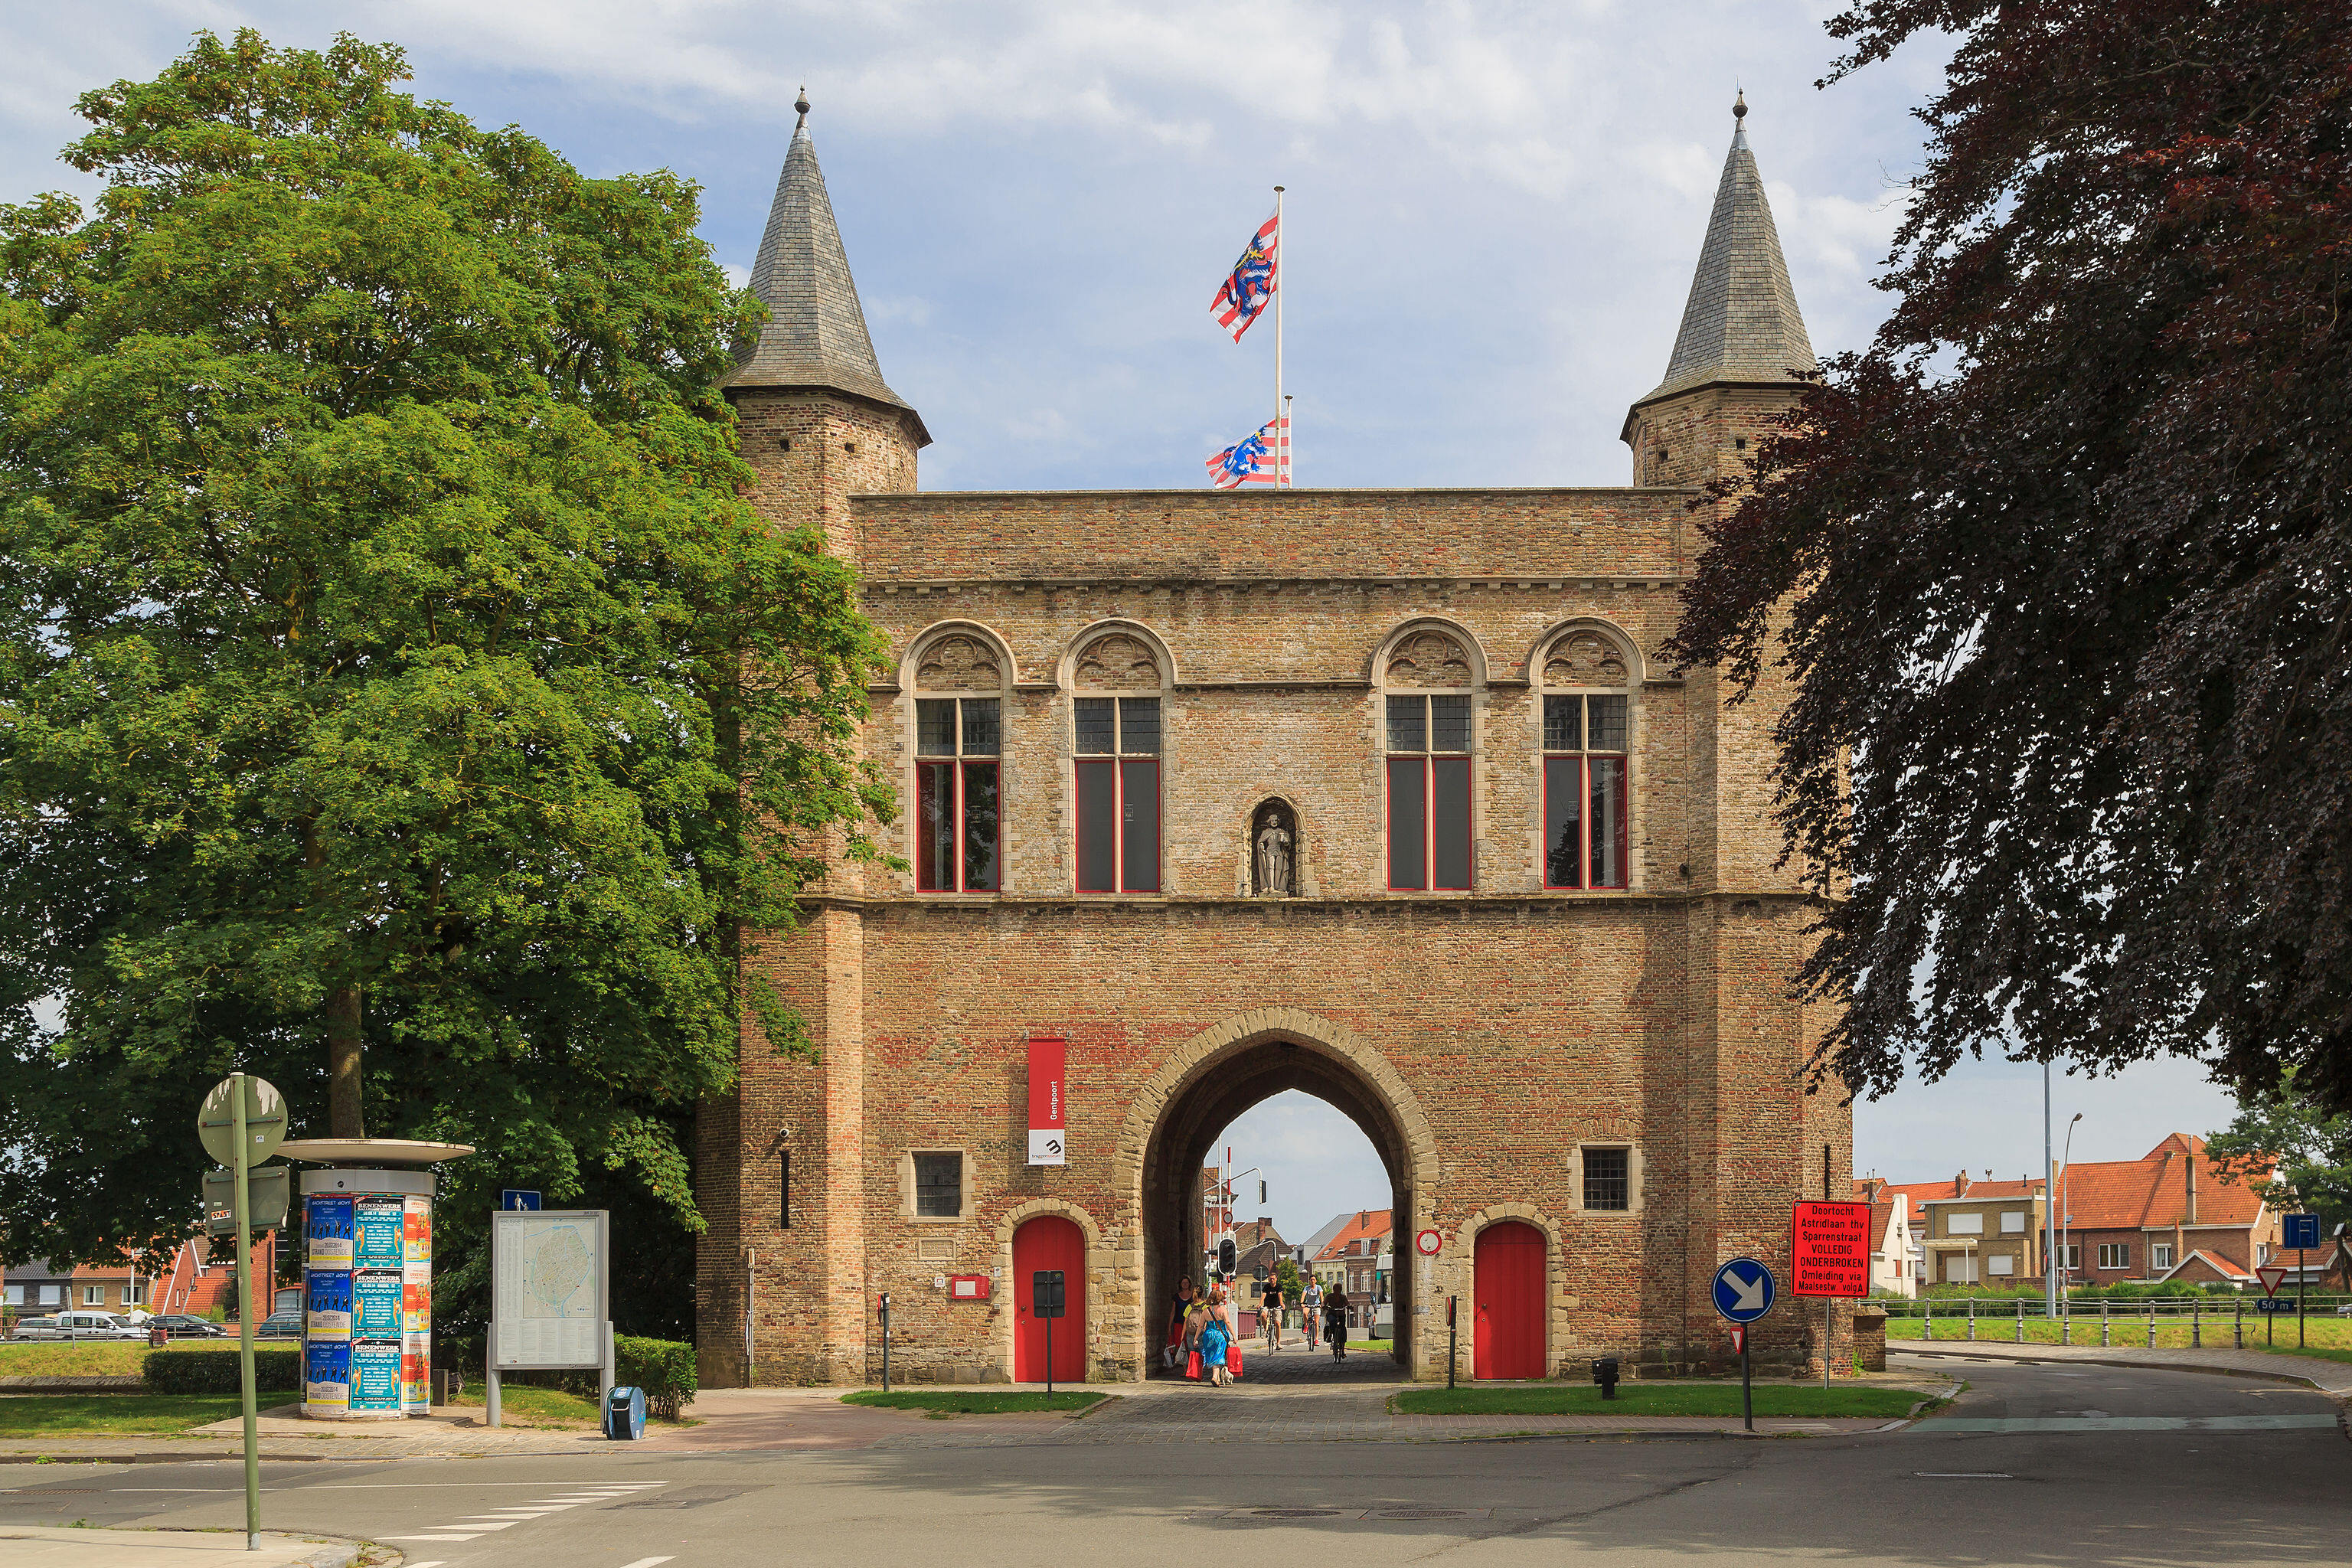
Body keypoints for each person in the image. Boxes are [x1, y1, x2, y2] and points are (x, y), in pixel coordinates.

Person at [1198, 1286, 1233, 1387]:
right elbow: (1227, 1322)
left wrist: (1196, 1338)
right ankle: (1214, 1377)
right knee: (1218, 1357)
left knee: (1212, 1357)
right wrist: (1234, 1336)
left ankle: (1217, 1379)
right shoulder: (1223, 1309)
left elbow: (1201, 1326)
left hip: (1208, 1336)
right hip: (1220, 1336)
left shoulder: (1206, 1311)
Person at [1164, 1276, 1195, 1372]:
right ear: (1180, 1284)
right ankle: (1185, 1368)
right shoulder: (1177, 1297)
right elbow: (1173, 1312)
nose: (1185, 1284)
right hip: (1178, 1323)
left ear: (1189, 1284)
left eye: (1187, 1283)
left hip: (1190, 1324)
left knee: (1189, 1344)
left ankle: (1190, 1365)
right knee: (1180, 1344)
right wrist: (1169, 1326)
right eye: (1183, 1283)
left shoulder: (1193, 1296)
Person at [1323, 1285, 1349, 1362]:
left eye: (1339, 1290)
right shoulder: (1329, 1296)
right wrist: (1324, 1306)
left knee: (1343, 1329)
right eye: (1336, 1290)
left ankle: (1343, 1350)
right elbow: (1324, 1303)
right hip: (1331, 1314)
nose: (1338, 1291)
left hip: (1341, 1314)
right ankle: (1330, 1334)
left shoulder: (1343, 1297)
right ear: (1333, 1290)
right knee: (1332, 1321)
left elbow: (1347, 1303)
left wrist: (1349, 1306)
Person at [1302, 1277, 1324, 1351]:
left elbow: (1321, 1296)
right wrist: (1302, 1303)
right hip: (1308, 1305)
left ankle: (1316, 1339)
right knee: (1305, 1313)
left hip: (1316, 1305)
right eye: (1311, 1280)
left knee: (1316, 1322)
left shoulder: (1318, 1287)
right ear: (1309, 1281)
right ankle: (1306, 1325)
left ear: (1316, 1281)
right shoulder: (1307, 1288)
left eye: (1314, 1280)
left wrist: (1322, 1303)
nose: (1312, 1281)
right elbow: (1303, 1296)